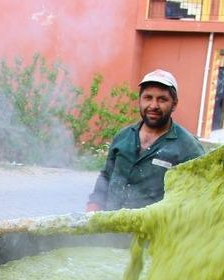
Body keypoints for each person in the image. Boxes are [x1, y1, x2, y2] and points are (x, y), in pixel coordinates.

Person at [87, 69, 204, 211]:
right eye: (148, 97)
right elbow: (106, 176)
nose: (153, 105)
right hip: (110, 227)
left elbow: (197, 197)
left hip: (155, 230)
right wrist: (94, 205)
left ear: (174, 104)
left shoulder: (189, 147)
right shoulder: (123, 137)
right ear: (140, 100)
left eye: (162, 99)